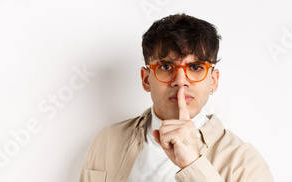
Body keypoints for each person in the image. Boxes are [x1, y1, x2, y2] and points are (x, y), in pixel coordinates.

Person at [79, 13, 274, 182]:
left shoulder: (245, 162)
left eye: (196, 67)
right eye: (165, 67)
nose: (180, 81)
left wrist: (192, 164)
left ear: (213, 80)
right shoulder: (107, 140)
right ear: (146, 79)